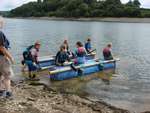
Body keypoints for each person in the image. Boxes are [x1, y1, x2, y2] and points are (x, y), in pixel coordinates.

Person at [0, 17, 14, 98]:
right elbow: (1, 48)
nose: (3, 24)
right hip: (2, 58)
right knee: (7, 76)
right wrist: (11, 57)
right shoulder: (0, 33)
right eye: (2, 22)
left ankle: (0, 91)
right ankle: (8, 93)